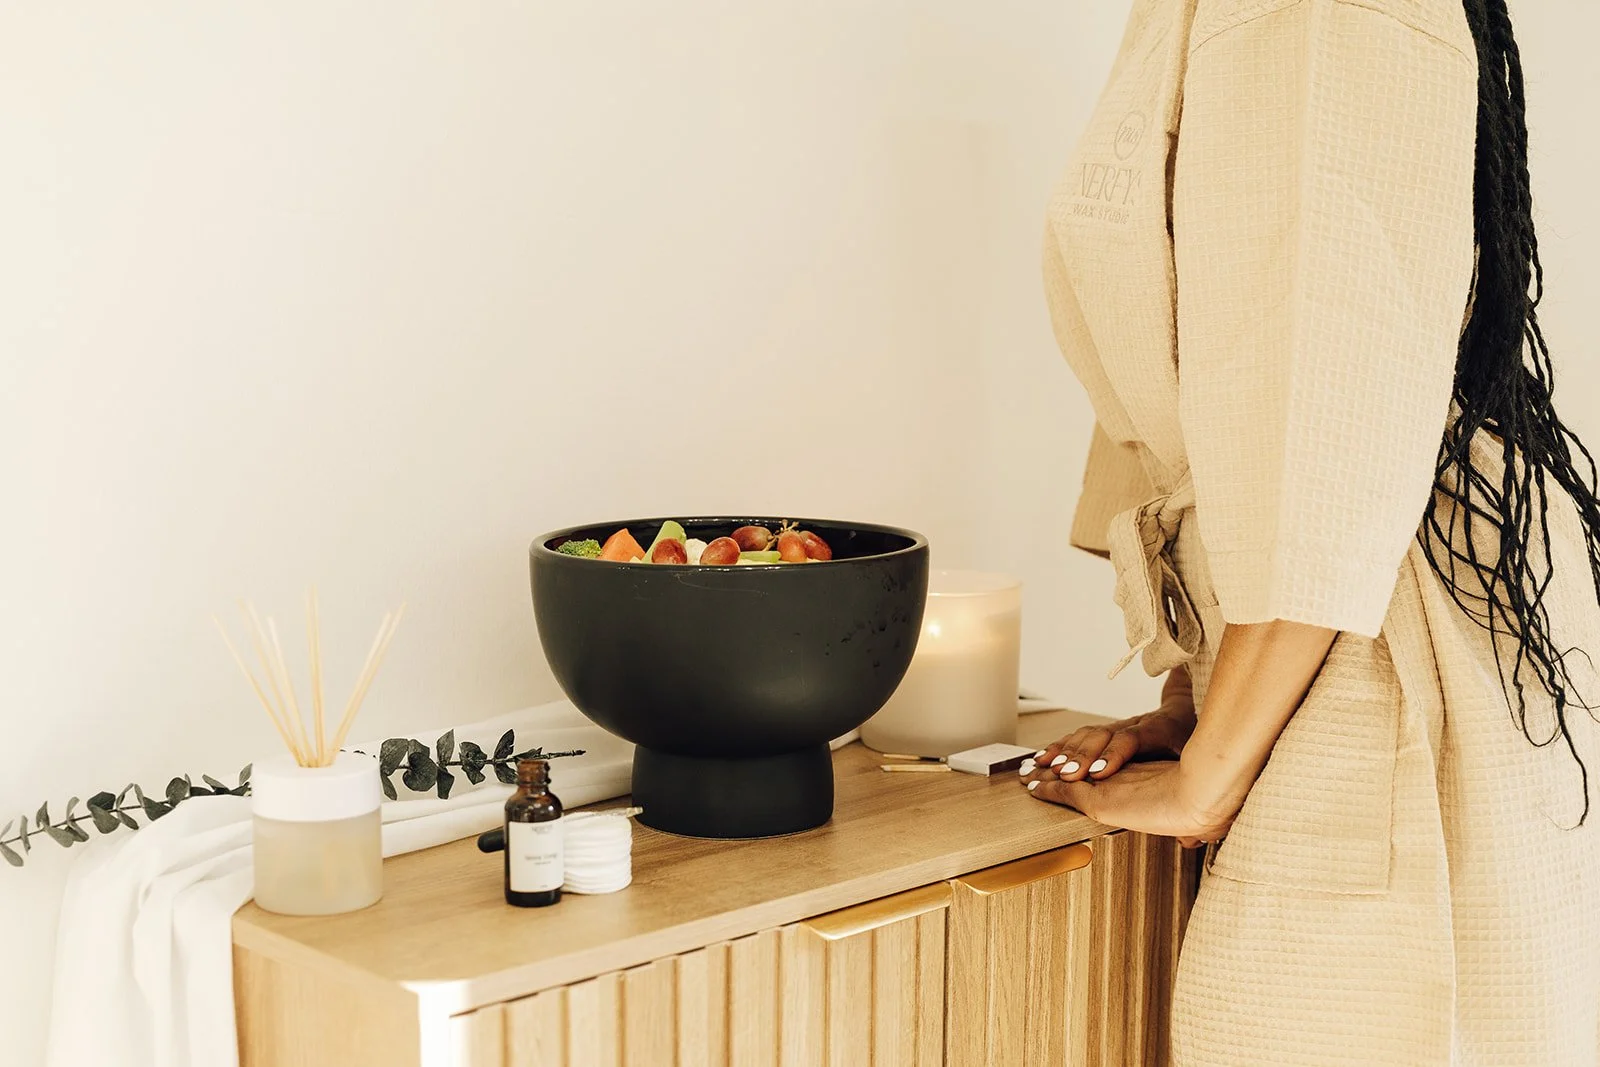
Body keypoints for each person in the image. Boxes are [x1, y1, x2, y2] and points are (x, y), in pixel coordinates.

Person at [1023, 0, 1600, 1062]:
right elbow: (1238, 378)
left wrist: (1210, 768)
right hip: (1332, 617)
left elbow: (1332, 400)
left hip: (1379, 638)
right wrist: (1199, 703)